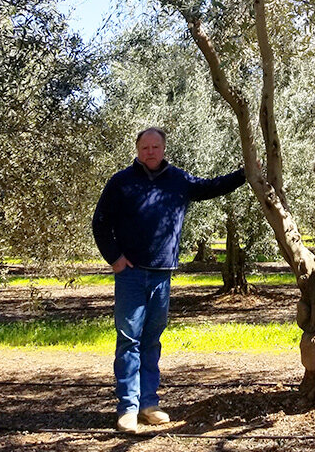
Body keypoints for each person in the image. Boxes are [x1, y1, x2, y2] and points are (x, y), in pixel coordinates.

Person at [92, 127, 246, 434]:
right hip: (131, 275)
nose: (150, 151)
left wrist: (247, 172)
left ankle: (149, 404)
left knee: (151, 340)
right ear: (137, 150)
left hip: (162, 274)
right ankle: (127, 408)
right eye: (145, 147)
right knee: (129, 340)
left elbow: (213, 187)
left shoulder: (179, 180)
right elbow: (100, 222)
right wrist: (115, 259)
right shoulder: (121, 182)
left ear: (164, 149)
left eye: (155, 146)